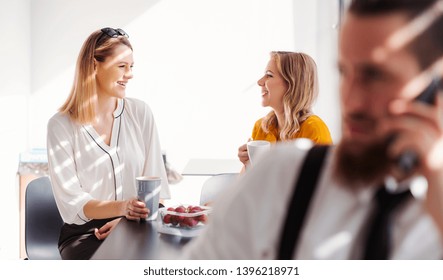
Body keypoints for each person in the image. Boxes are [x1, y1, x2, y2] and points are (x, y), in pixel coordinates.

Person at [182, 0, 443, 259]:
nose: (349, 102)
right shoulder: (282, 172)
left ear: (434, 90)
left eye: (374, 76)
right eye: (343, 72)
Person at [46, 27, 170, 260]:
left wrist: (126, 220)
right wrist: (122, 208)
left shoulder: (140, 113)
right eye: (121, 66)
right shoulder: (61, 125)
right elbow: (74, 204)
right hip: (86, 234)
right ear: (94, 66)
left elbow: (157, 191)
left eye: (131, 67)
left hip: (138, 225)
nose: (130, 74)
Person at [238, 51, 332, 168]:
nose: (260, 82)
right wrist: (248, 165)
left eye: (269, 75)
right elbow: (248, 184)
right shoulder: (261, 127)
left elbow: (320, 184)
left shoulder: (314, 129)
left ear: (292, 84)